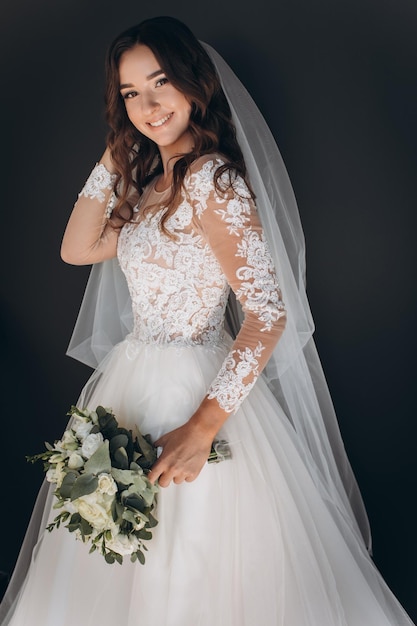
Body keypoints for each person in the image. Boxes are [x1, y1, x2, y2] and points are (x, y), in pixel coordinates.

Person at [0, 15, 414, 626]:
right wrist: (119, 148)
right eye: (130, 94)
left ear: (195, 83)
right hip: (133, 384)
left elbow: (267, 314)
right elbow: (77, 247)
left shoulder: (211, 179)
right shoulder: (150, 186)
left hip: (197, 391)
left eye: (160, 82)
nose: (148, 104)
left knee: (198, 562)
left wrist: (202, 429)